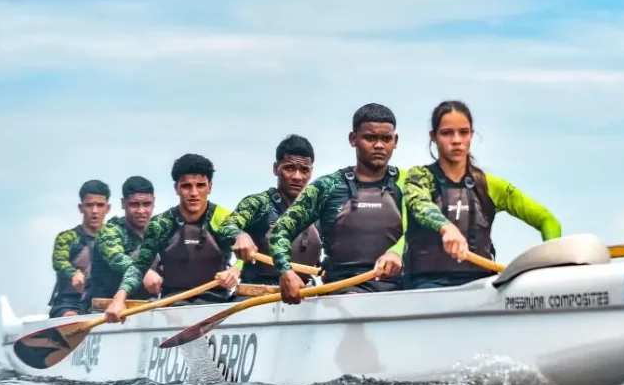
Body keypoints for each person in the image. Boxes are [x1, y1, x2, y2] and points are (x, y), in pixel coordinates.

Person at [403, 100, 562, 289]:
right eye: (447, 133)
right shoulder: (419, 177)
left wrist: (554, 264)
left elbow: (547, 220)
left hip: (479, 286)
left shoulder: (490, 185)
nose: (456, 140)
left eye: (463, 132)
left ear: (471, 134)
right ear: (434, 137)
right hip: (426, 286)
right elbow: (419, 204)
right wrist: (446, 227)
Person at [269, 103, 406, 304]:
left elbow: (424, 230)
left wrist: (396, 252)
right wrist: (286, 272)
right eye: (370, 138)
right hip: (343, 289)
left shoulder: (410, 183)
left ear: (395, 141)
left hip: (400, 288)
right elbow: (280, 231)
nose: (379, 145)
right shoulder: (328, 186)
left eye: (386, 139)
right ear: (353, 139)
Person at [104, 154, 242, 322]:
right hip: (173, 304)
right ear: (176, 188)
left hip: (217, 303)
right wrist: (119, 299)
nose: (194, 193)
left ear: (210, 186)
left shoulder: (224, 218)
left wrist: (236, 269)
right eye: (186, 186)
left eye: (200, 186)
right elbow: (138, 268)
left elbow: (247, 253)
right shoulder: (160, 224)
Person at [225, 134, 323, 286]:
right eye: (289, 168)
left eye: (304, 170)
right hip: (257, 298)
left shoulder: (318, 210)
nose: (297, 177)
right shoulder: (258, 203)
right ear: (276, 169)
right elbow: (226, 226)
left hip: (305, 296)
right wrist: (239, 235)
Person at [85, 175, 160, 305]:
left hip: (146, 307)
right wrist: (144, 272)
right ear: (123, 203)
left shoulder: (158, 231)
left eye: (146, 204)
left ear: (153, 202)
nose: (141, 211)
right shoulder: (110, 231)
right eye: (134, 204)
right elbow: (118, 258)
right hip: (103, 308)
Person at [48, 179, 111, 317]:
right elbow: (59, 261)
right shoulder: (68, 237)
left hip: (104, 304)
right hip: (70, 303)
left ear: (108, 208)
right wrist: (73, 273)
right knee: (71, 317)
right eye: (89, 205)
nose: (94, 211)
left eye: (100, 205)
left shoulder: (115, 238)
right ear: (81, 207)